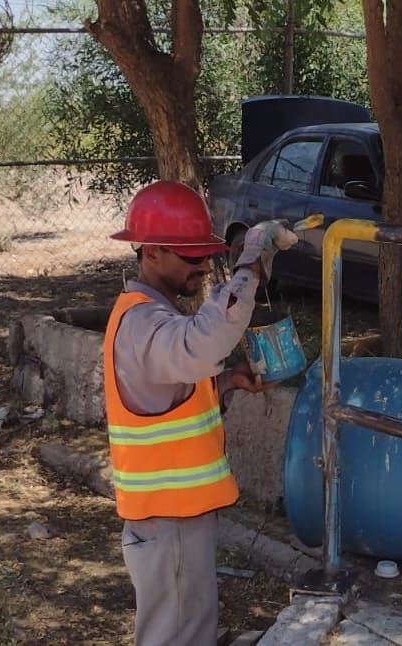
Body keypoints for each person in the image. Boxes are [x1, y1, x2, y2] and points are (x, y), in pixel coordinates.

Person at [103, 180, 297, 645]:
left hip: (174, 518)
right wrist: (249, 264)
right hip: (166, 518)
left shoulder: (152, 317)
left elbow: (168, 396)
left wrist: (227, 382)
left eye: (207, 254)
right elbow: (202, 342)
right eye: (192, 257)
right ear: (151, 253)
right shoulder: (141, 323)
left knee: (189, 628)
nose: (204, 265)